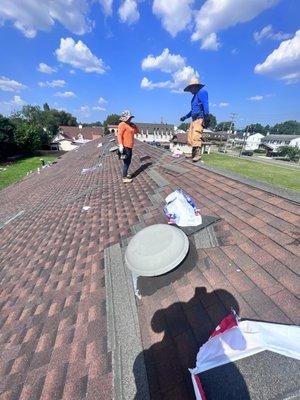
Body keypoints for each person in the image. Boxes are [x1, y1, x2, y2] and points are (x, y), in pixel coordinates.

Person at [180, 76, 209, 162]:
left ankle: (197, 154)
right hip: (194, 119)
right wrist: (185, 117)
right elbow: (193, 110)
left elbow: (205, 103)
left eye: (191, 88)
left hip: (200, 118)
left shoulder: (202, 92)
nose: (190, 91)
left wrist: (207, 116)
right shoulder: (194, 97)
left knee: (196, 135)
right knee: (191, 137)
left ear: (195, 86)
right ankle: (193, 154)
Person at [117, 110, 139, 183]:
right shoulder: (122, 124)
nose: (130, 119)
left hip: (130, 146)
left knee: (128, 161)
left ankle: (125, 174)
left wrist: (134, 125)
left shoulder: (129, 125)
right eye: (129, 118)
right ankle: (124, 177)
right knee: (126, 162)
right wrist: (120, 144)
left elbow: (136, 131)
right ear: (125, 118)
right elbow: (119, 135)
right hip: (125, 146)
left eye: (130, 118)